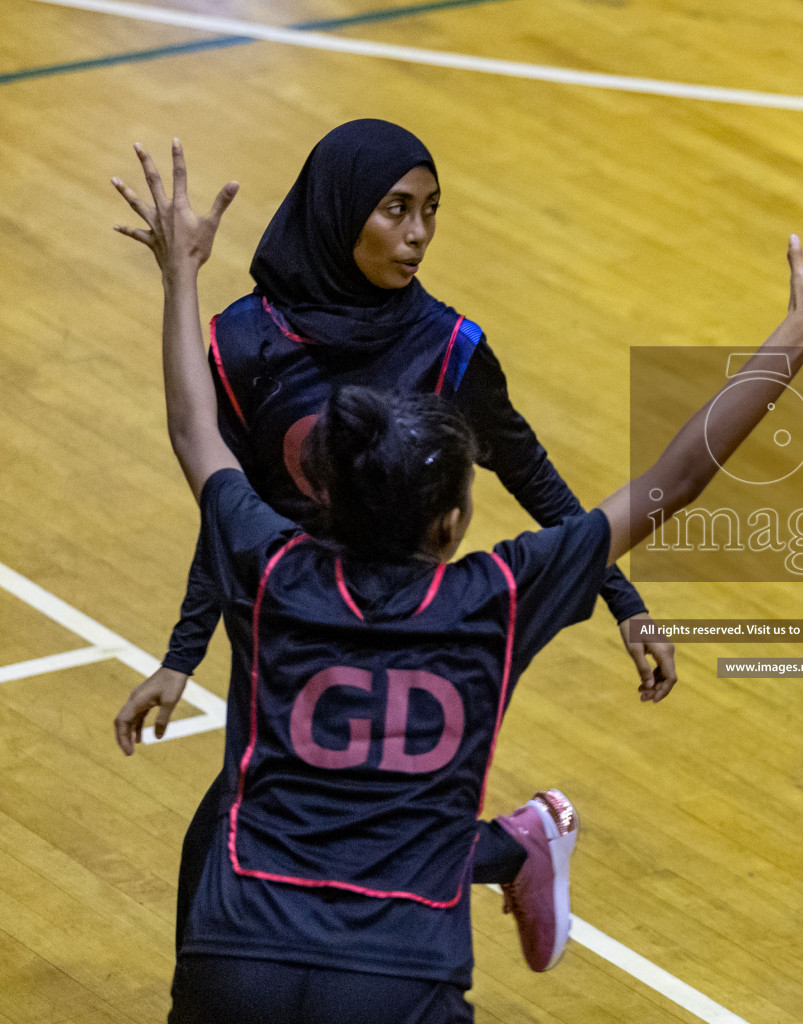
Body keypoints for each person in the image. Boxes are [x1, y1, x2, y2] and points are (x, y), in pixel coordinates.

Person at [113, 138, 803, 1023]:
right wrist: (798, 332)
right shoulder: (490, 602)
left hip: (242, 958)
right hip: (399, 973)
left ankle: (514, 846)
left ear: (326, 494)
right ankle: (512, 845)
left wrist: (180, 275)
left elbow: (195, 435)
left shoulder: (271, 577)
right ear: (453, 523)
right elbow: (675, 477)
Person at [110, 119, 674, 969]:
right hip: (289, 619)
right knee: (328, 830)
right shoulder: (246, 343)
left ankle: (503, 859)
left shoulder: (448, 349)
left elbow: (538, 481)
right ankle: (514, 851)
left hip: (405, 624)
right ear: (340, 214)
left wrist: (625, 605)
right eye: (395, 210)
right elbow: (229, 512)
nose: (417, 235)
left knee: (297, 829)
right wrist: (180, 655)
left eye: (431, 211)